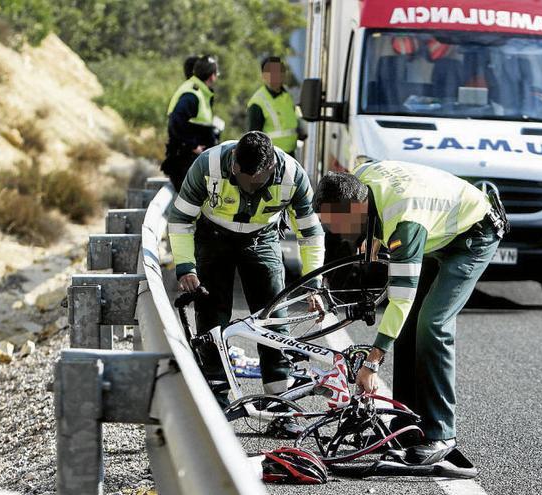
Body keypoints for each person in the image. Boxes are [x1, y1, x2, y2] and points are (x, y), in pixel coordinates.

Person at [312, 160, 508, 464]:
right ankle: (406, 423)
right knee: (407, 326)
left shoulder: (403, 222)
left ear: (354, 209)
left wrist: (373, 361)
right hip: (437, 227)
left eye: (333, 223)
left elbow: (400, 300)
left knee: (432, 324)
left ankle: (442, 433)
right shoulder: (360, 180)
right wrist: (372, 238)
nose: (332, 231)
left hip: (473, 235)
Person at [167, 131, 326, 433]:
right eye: (241, 176)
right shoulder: (208, 165)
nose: (246, 184)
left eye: (255, 180)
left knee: (274, 319)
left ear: (269, 169)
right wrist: (186, 267)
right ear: (234, 164)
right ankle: (216, 398)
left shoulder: (292, 174)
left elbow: (311, 233)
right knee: (212, 318)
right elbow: (181, 219)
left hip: (262, 238)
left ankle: (280, 403)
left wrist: (313, 285)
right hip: (213, 238)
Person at [162, 55, 220, 190]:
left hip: (193, 163)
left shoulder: (202, 92)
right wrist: (193, 146)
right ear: (212, 76)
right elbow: (175, 121)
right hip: (185, 163)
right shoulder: (192, 94)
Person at [247, 56, 304, 157]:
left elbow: (295, 117)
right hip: (271, 158)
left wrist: (301, 128)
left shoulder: (288, 95)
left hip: (291, 155)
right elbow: (253, 139)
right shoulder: (257, 102)